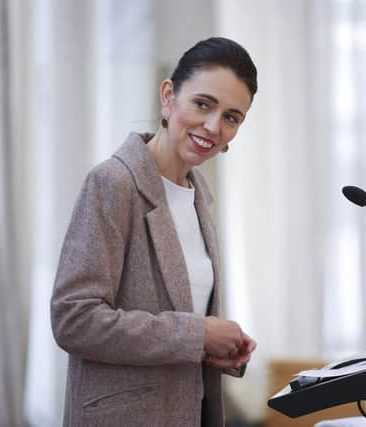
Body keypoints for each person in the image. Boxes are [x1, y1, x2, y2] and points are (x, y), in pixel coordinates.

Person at [50, 37, 258, 427]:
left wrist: (212, 348)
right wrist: (196, 335)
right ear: (168, 96)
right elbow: (74, 320)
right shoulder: (113, 183)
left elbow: (176, 319)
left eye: (232, 117)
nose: (213, 126)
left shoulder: (198, 198)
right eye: (203, 104)